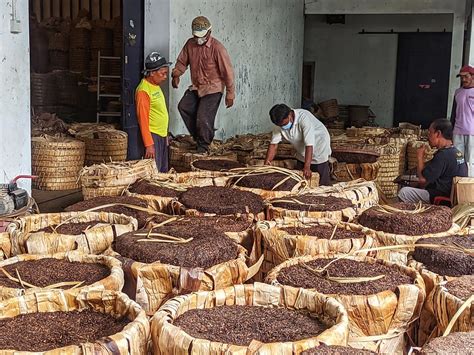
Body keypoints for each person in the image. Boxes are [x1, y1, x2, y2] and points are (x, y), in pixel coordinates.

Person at [171, 16, 235, 153]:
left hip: (213, 88)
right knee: (184, 106)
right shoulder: (190, 44)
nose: (198, 39)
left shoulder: (218, 48)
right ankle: (200, 136)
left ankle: (203, 147)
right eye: (195, 36)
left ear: (209, 32)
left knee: (203, 117)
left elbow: (227, 72)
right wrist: (176, 74)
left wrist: (230, 93)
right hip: (197, 86)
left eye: (201, 36)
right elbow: (182, 62)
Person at [398, 118, 467, 204]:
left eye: (430, 133)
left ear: (438, 133)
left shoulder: (443, 155)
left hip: (442, 197)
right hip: (453, 195)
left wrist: (420, 157)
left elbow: (422, 181)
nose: (428, 137)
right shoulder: (457, 153)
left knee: (404, 192)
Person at [264, 103, 332, 185]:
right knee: (300, 177)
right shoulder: (279, 123)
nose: (282, 127)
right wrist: (267, 164)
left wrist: (307, 167)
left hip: (319, 144)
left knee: (320, 173)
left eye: (284, 124)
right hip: (302, 147)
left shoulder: (304, 118)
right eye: (280, 125)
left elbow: (309, 145)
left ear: (290, 115)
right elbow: (273, 145)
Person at [135, 52, 172, 172]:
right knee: (154, 172)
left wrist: (165, 134)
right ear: (151, 73)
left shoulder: (155, 85)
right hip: (153, 136)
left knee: (163, 169)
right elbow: (143, 120)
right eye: (163, 73)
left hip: (161, 135)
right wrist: (149, 145)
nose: (165, 77)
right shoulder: (143, 91)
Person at [451, 65, 474, 177]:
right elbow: (453, 113)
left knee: (470, 161)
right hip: (457, 133)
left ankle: (469, 187)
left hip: (472, 134)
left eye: (466, 77)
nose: (463, 79)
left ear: (472, 76)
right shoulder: (457, 92)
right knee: (458, 159)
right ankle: (457, 185)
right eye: (461, 77)